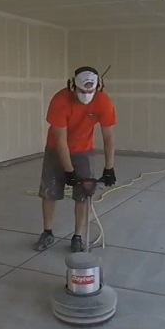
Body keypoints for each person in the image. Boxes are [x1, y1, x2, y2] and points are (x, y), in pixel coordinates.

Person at [34, 66, 117, 253]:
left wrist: (109, 168)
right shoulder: (60, 100)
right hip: (56, 149)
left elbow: (108, 137)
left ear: (98, 87)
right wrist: (68, 170)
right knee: (49, 191)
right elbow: (61, 140)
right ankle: (47, 232)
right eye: (82, 91)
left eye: (90, 91)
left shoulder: (103, 101)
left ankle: (77, 236)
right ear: (72, 86)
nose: (86, 95)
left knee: (84, 195)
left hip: (84, 150)